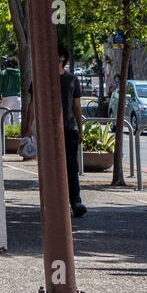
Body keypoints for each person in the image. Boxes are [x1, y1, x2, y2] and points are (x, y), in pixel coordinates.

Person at [59, 48, 86, 217]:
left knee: (71, 166)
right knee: (51, 167)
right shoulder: (41, 79)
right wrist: (27, 129)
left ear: (62, 57)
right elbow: (33, 104)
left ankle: (75, 201)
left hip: (69, 129)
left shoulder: (72, 80)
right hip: (49, 132)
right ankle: (57, 202)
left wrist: (80, 129)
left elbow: (77, 106)